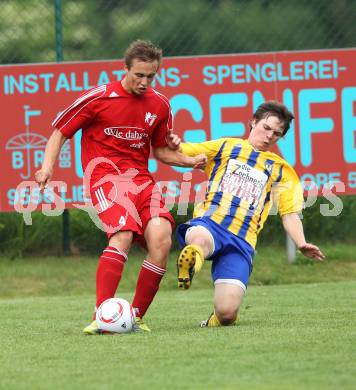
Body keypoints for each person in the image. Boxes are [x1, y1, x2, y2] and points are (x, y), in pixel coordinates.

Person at [35, 39, 206, 334]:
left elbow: (161, 151)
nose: (144, 81)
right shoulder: (98, 98)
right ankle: (102, 316)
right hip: (104, 177)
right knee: (123, 234)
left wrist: (189, 160)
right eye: (138, 74)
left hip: (141, 180)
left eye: (150, 76)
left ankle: (134, 316)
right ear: (125, 69)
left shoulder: (160, 104)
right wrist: (47, 166)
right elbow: (60, 131)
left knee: (162, 239)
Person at [175, 100, 325, 327]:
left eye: (277, 133)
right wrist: (173, 143)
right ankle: (191, 263)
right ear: (253, 122)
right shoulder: (226, 147)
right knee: (199, 240)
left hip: (242, 242)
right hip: (211, 224)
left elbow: (289, 214)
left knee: (227, 314)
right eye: (266, 128)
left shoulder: (282, 170)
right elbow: (185, 151)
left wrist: (301, 242)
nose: (269, 136)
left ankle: (214, 319)